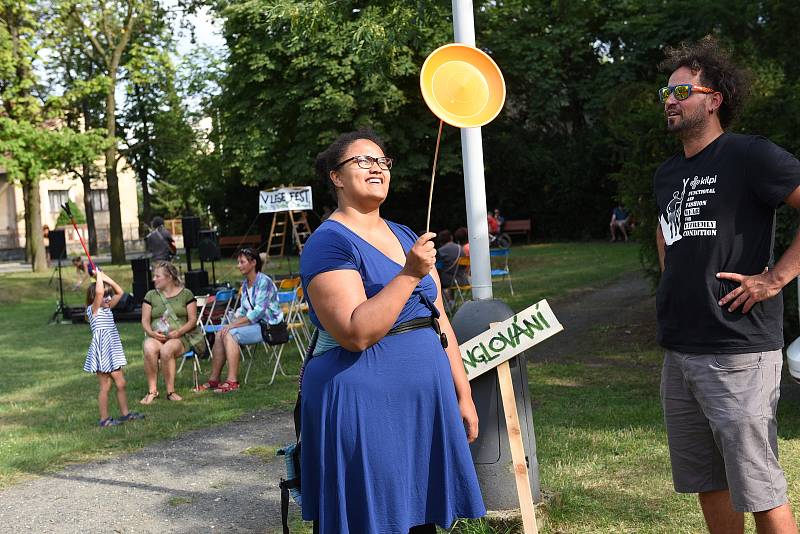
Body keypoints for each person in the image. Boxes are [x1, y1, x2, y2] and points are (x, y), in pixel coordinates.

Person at [299, 129, 485, 533]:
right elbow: (355, 332)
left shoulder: (405, 235)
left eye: (383, 161)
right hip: (365, 404)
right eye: (363, 161)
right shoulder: (328, 243)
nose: (377, 167)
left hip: (424, 401)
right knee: (376, 520)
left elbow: (439, 319)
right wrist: (409, 274)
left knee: (420, 521)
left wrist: (463, 392)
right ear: (336, 177)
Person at [654, 37, 800, 534]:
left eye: (682, 90)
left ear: (714, 99)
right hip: (681, 349)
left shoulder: (748, 155)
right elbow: (667, 229)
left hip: (738, 349)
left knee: (758, 485)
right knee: (707, 481)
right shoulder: (668, 173)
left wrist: (775, 278)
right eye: (667, 92)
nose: (670, 100)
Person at [197, 248, 283, 394]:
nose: (238, 265)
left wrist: (232, 325)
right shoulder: (245, 284)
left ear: (253, 263)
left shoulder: (264, 282)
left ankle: (232, 382)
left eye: (242, 262)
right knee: (220, 334)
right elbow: (243, 311)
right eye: (238, 262)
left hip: (269, 327)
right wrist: (229, 322)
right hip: (255, 325)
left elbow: (257, 313)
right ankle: (214, 380)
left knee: (230, 334)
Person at [84, 270, 144, 427]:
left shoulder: (107, 308)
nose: (108, 298)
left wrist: (104, 277)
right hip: (103, 350)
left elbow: (120, 292)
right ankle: (104, 419)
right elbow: (98, 292)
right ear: (94, 298)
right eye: (105, 295)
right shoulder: (93, 310)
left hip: (112, 350)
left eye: (108, 295)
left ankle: (125, 414)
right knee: (106, 386)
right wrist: (98, 277)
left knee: (121, 383)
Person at [140, 261, 204, 404]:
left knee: (167, 350)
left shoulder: (186, 294)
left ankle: (170, 392)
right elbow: (144, 320)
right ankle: (152, 391)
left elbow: (193, 320)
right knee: (149, 348)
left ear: (169, 277)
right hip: (157, 336)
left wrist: (179, 332)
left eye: (157, 276)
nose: (154, 279)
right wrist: (151, 333)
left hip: (179, 337)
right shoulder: (150, 295)